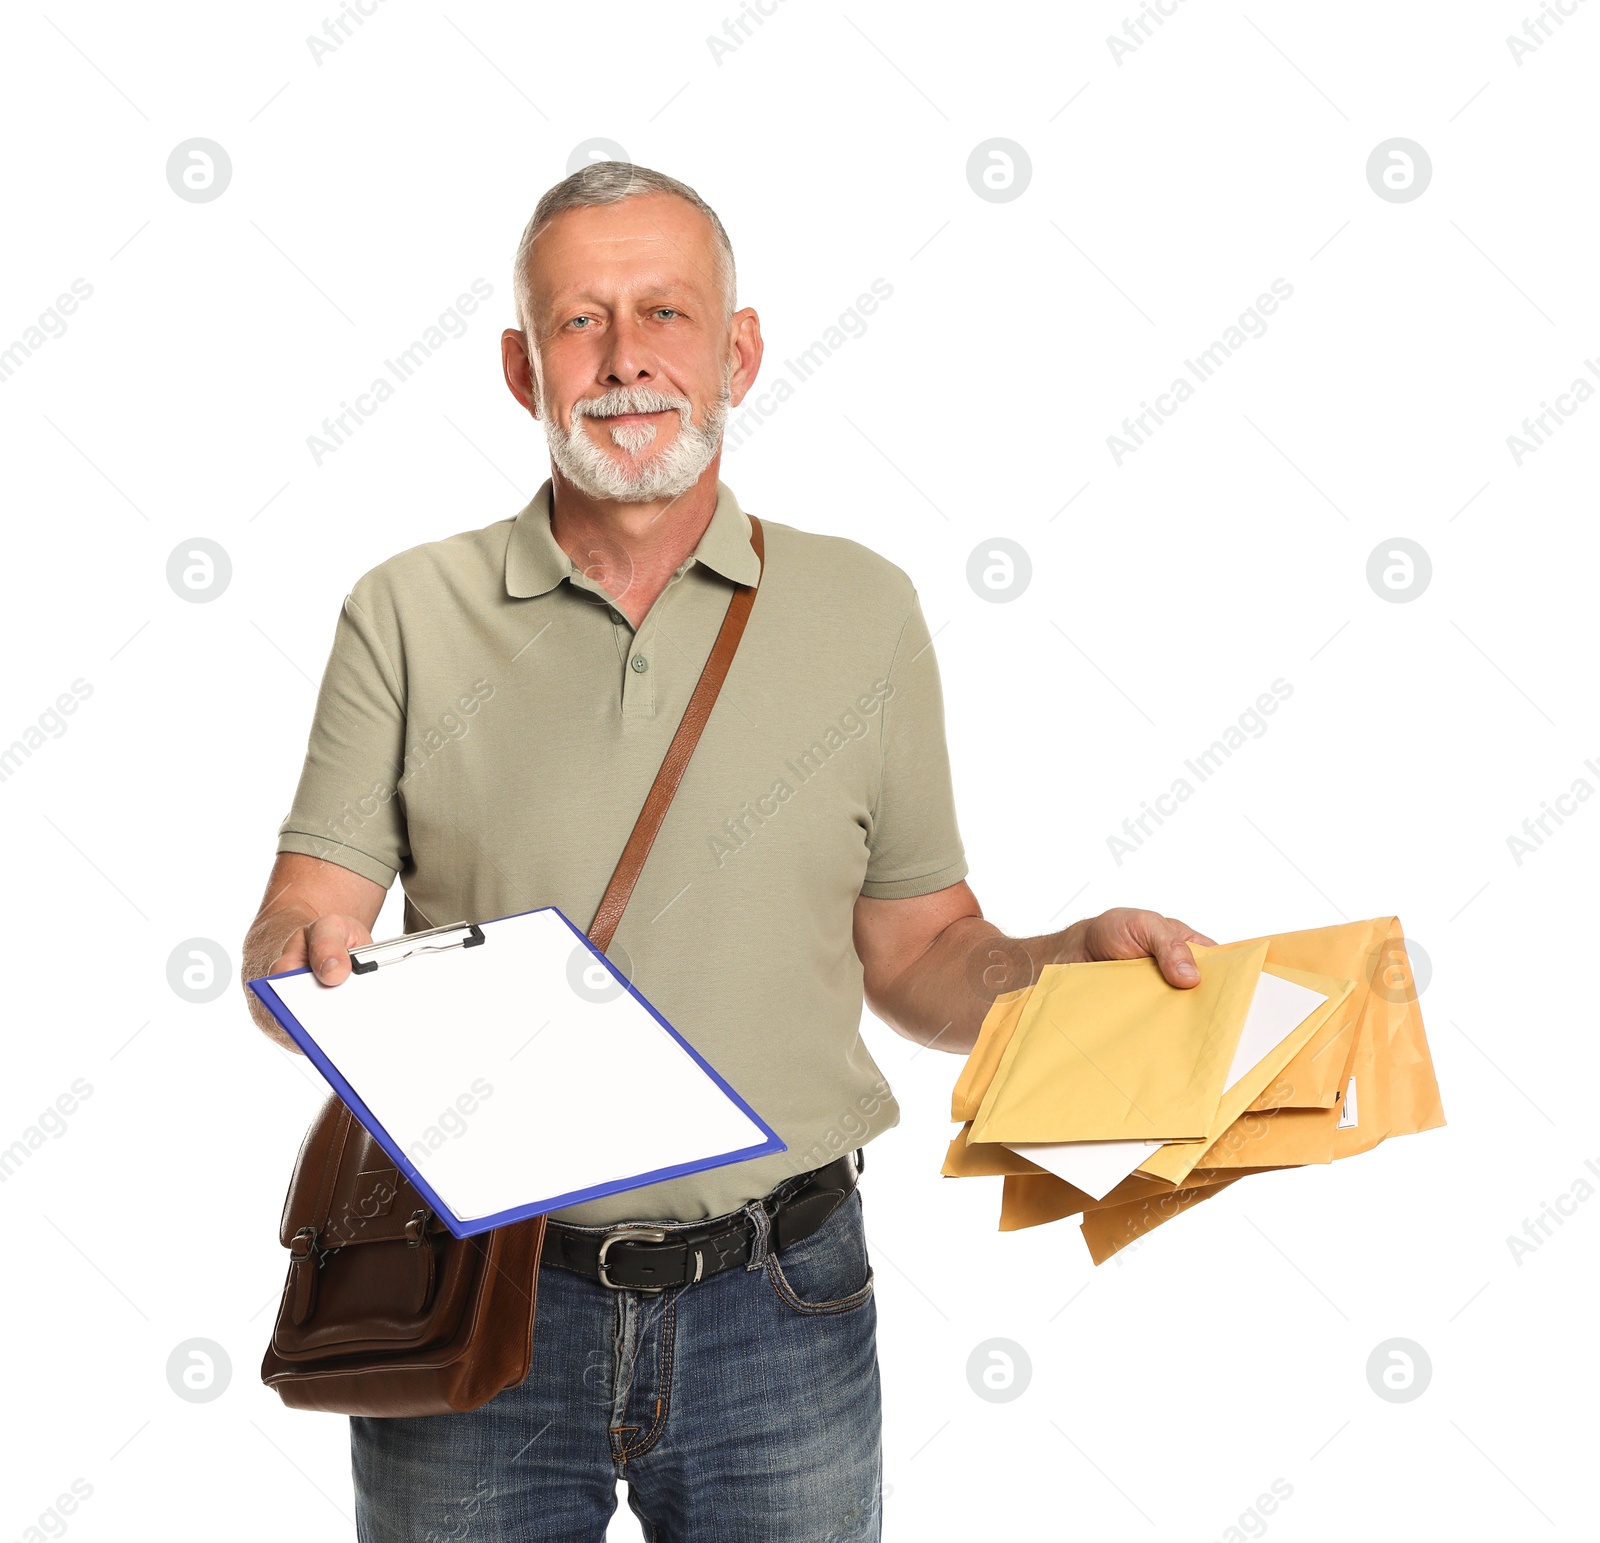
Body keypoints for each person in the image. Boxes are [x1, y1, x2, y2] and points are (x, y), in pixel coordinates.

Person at [241, 161, 1212, 1542]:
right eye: (581, 322)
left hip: (785, 1300)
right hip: (477, 1299)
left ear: (739, 349)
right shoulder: (407, 612)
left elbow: (924, 950)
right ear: (522, 367)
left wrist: (1063, 966)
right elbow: (298, 922)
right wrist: (306, 963)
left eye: (667, 315)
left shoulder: (863, 612)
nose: (626, 360)